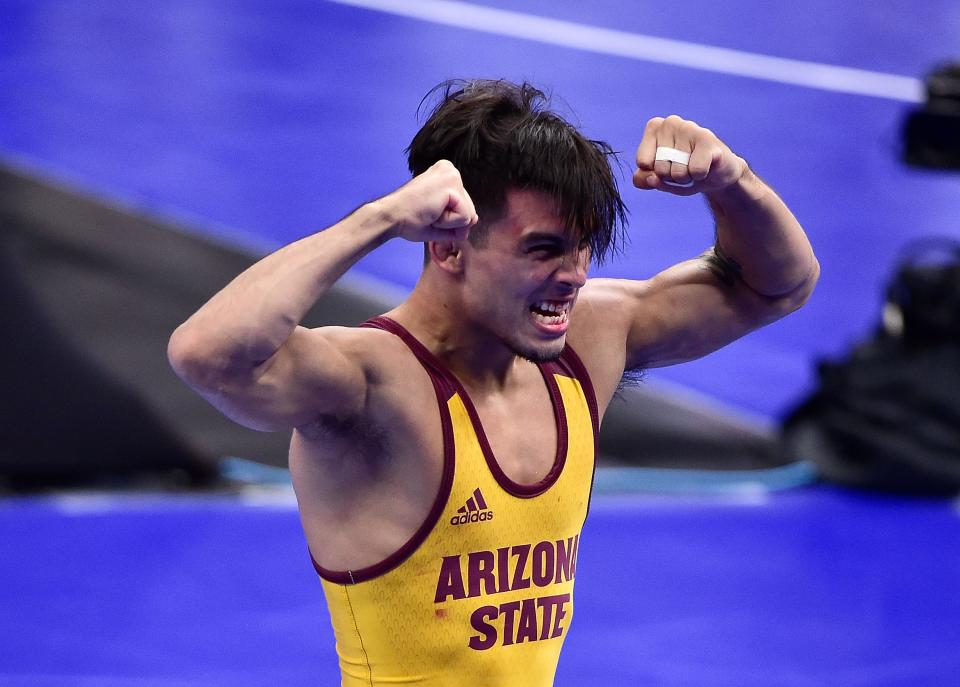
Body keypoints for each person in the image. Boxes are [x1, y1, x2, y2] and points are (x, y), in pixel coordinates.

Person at [168, 79, 819, 686]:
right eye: (543, 249)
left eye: (584, 245)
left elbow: (779, 284)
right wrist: (377, 219)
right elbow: (208, 354)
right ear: (448, 245)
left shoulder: (588, 344)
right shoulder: (373, 383)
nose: (574, 276)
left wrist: (733, 183)